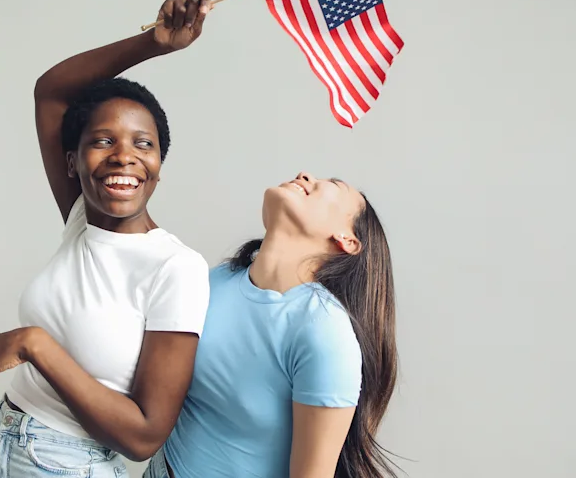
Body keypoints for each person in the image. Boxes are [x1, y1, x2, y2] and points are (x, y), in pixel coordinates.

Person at [0, 0, 216, 478]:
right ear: (73, 164)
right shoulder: (83, 217)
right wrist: (153, 44)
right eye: (103, 141)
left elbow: (144, 436)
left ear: (159, 165)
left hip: (66, 465)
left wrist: (35, 344)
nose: (124, 155)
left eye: (144, 143)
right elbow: (52, 91)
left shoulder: (176, 268)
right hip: (1, 441)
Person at [144, 173, 399, 478]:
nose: (305, 175)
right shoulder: (217, 279)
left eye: (332, 186)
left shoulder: (324, 333)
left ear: (347, 239)